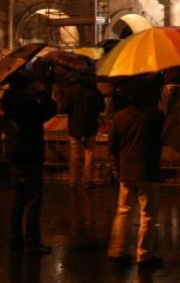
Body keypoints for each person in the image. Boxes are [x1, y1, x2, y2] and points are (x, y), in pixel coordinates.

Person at [107, 80, 165, 268]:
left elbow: (112, 145)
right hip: (149, 170)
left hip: (126, 170)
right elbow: (163, 140)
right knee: (147, 214)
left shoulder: (120, 116)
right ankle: (144, 254)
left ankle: (118, 250)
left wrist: (119, 161)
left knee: (123, 211)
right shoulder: (157, 116)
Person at [0, 69, 57, 254]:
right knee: (33, 200)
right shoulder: (28, 102)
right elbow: (49, 110)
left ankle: (14, 239)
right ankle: (32, 242)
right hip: (30, 153)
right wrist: (41, 92)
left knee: (18, 199)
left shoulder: (7, 101)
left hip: (14, 152)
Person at [59, 69, 105, 188]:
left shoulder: (71, 90)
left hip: (75, 125)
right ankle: (88, 180)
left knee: (74, 153)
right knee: (89, 152)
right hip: (90, 124)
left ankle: (73, 180)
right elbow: (101, 107)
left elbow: (64, 108)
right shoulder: (94, 91)